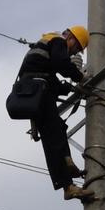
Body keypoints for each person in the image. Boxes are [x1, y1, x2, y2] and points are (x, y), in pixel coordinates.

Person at [15, 25, 91, 200]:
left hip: (33, 92)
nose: (73, 53)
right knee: (54, 135)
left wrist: (69, 88)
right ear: (71, 38)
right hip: (39, 91)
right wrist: (80, 78)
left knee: (54, 134)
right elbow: (62, 64)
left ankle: (66, 172)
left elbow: (52, 77)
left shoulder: (45, 46)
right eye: (76, 49)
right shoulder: (58, 41)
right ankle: (66, 168)